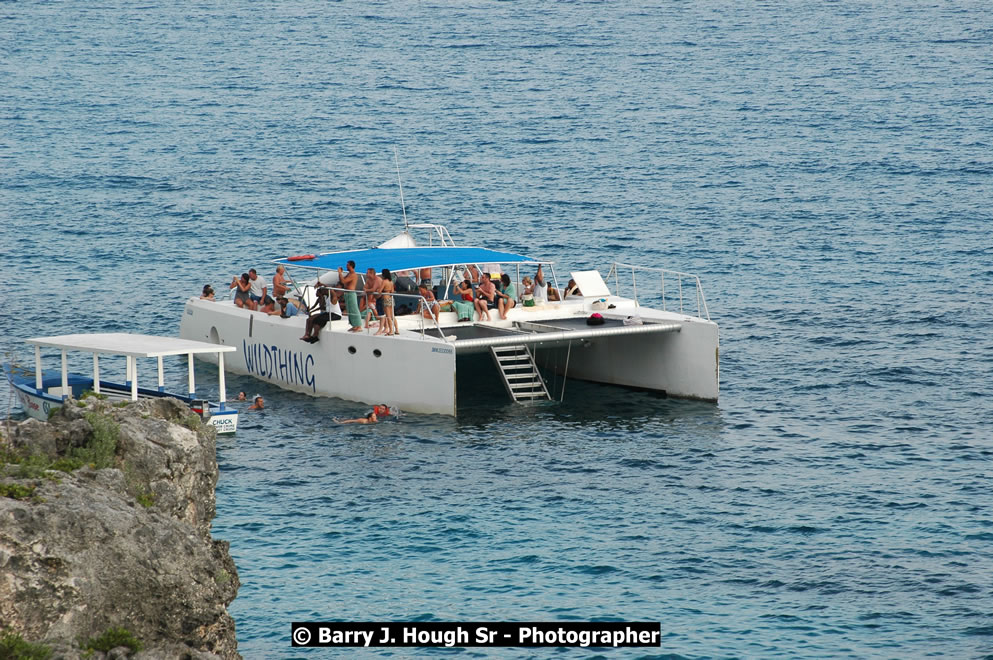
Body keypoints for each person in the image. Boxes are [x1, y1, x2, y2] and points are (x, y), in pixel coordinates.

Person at [338, 261, 362, 333]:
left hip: (351, 293)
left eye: (347, 265)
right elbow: (341, 281)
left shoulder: (353, 275)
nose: (346, 266)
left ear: (351, 266)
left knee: (354, 309)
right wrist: (340, 274)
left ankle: (359, 326)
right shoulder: (349, 274)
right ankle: (354, 325)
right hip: (347, 293)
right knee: (349, 309)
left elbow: (344, 281)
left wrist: (340, 273)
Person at [375, 269, 398, 336]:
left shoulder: (384, 281)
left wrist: (377, 290)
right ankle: (396, 329)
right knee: (392, 316)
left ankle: (391, 331)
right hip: (391, 299)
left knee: (388, 316)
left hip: (385, 299)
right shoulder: (391, 282)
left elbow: (380, 291)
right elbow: (392, 291)